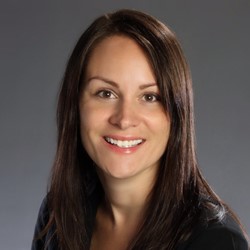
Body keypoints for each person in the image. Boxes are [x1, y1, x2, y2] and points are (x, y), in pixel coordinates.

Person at [32, 9, 249, 250]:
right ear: (75, 104)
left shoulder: (216, 242)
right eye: (106, 93)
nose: (124, 119)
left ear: (176, 115)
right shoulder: (58, 215)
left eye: (149, 97)